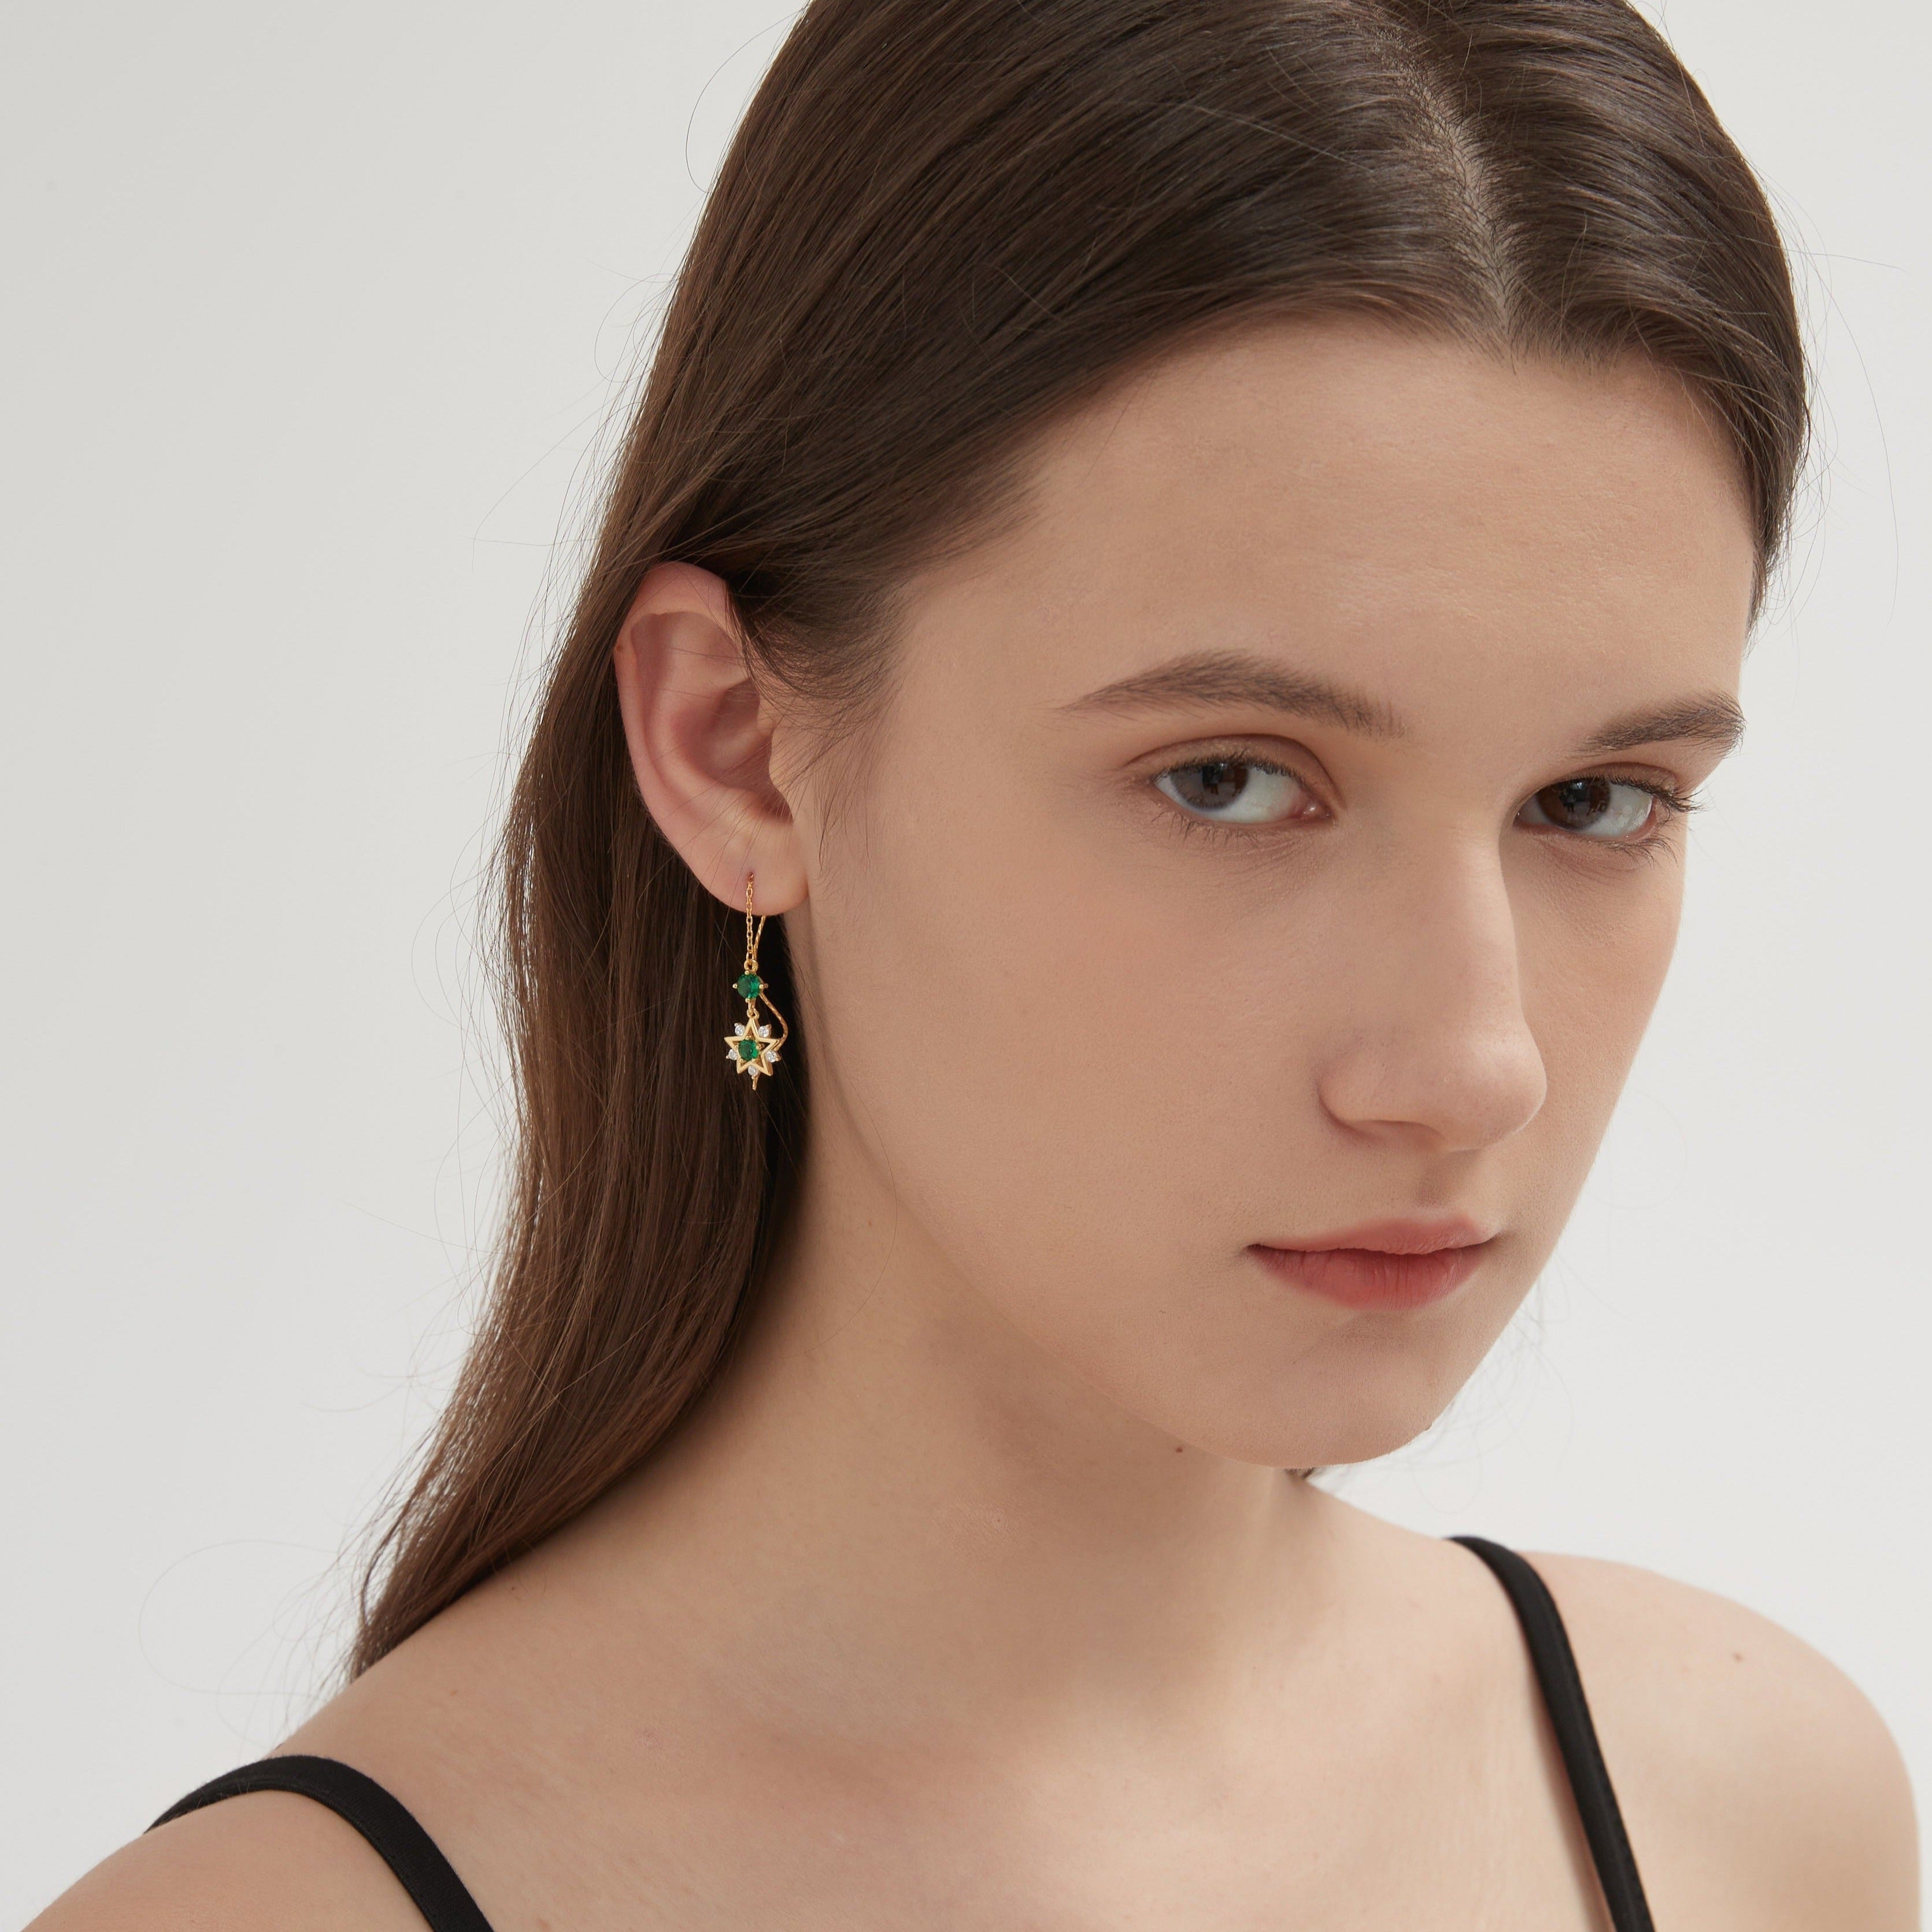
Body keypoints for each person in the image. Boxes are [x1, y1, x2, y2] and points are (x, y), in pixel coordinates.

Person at [36, 1, 1918, 1926]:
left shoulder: (1753, 1821)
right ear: (730, 747)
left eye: (1598, 801)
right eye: (1229, 778)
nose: (1470, 1064)